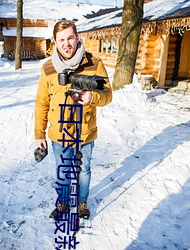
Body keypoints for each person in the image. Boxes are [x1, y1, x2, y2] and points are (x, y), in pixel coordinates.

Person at [34, 20, 112, 219]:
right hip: (59, 133)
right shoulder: (48, 68)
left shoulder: (94, 63)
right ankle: (63, 203)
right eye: (61, 40)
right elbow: (42, 102)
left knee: (83, 169)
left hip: (85, 130)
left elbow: (108, 95)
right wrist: (39, 134)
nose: (66, 43)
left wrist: (92, 97)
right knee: (63, 170)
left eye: (70, 38)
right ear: (55, 42)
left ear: (77, 38)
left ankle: (82, 201)